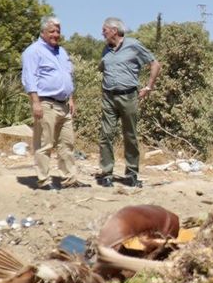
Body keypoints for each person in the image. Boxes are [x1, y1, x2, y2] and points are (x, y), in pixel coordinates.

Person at [20, 17, 85, 189]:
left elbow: (67, 76)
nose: (56, 34)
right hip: (45, 103)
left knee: (67, 144)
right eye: (52, 31)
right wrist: (35, 102)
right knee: (44, 144)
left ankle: (69, 179)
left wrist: (71, 98)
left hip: (64, 105)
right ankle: (43, 181)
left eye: (58, 31)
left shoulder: (61, 52)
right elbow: (29, 78)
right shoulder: (33, 51)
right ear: (43, 32)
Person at [96, 17, 160, 187]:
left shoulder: (133, 45)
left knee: (130, 135)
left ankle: (131, 174)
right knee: (106, 135)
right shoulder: (106, 50)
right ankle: (106, 173)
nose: (102, 33)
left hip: (129, 96)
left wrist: (148, 87)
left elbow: (155, 64)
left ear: (114, 31)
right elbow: (103, 68)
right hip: (109, 97)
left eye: (104, 30)